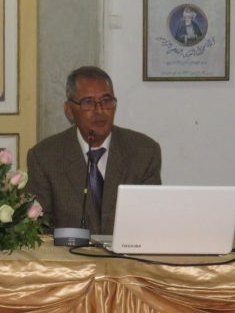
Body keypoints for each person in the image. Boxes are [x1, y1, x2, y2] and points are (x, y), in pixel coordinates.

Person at [26, 66, 161, 235]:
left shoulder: (143, 151)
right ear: (69, 110)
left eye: (106, 101)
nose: (99, 111)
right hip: (69, 251)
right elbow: (37, 228)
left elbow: (150, 220)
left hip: (127, 252)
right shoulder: (45, 157)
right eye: (88, 102)